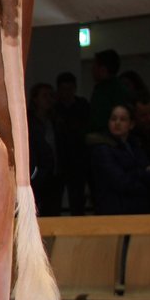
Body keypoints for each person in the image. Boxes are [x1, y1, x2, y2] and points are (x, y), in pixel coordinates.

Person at [88, 104, 150, 215]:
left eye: (123, 119)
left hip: (137, 209)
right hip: (113, 211)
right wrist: (143, 175)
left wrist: (138, 174)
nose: (117, 123)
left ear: (131, 124)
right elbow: (120, 181)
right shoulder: (102, 149)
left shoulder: (134, 145)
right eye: (113, 119)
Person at [53, 71, 91, 214]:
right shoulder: (54, 109)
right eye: (63, 89)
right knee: (55, 198)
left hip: (79, 158)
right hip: (60, 159)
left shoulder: (82, 106)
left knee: (77, 198)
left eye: (69, 89)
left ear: (74, 89)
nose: (66, 93)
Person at [27, 82, 63, 217]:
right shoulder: (28, 122)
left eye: (51, 96)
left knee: (54, 210)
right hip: (38, 175)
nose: (49, 99)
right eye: (44, 96)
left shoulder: (56, 120)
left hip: (55, 174)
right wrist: (36, 172)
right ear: (35, 99)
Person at [87, 49, 126, 137]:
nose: (92, 69)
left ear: (103, 69)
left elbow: (99, 120)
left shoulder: (106, 91)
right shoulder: (117, 88)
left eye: (94, 66)